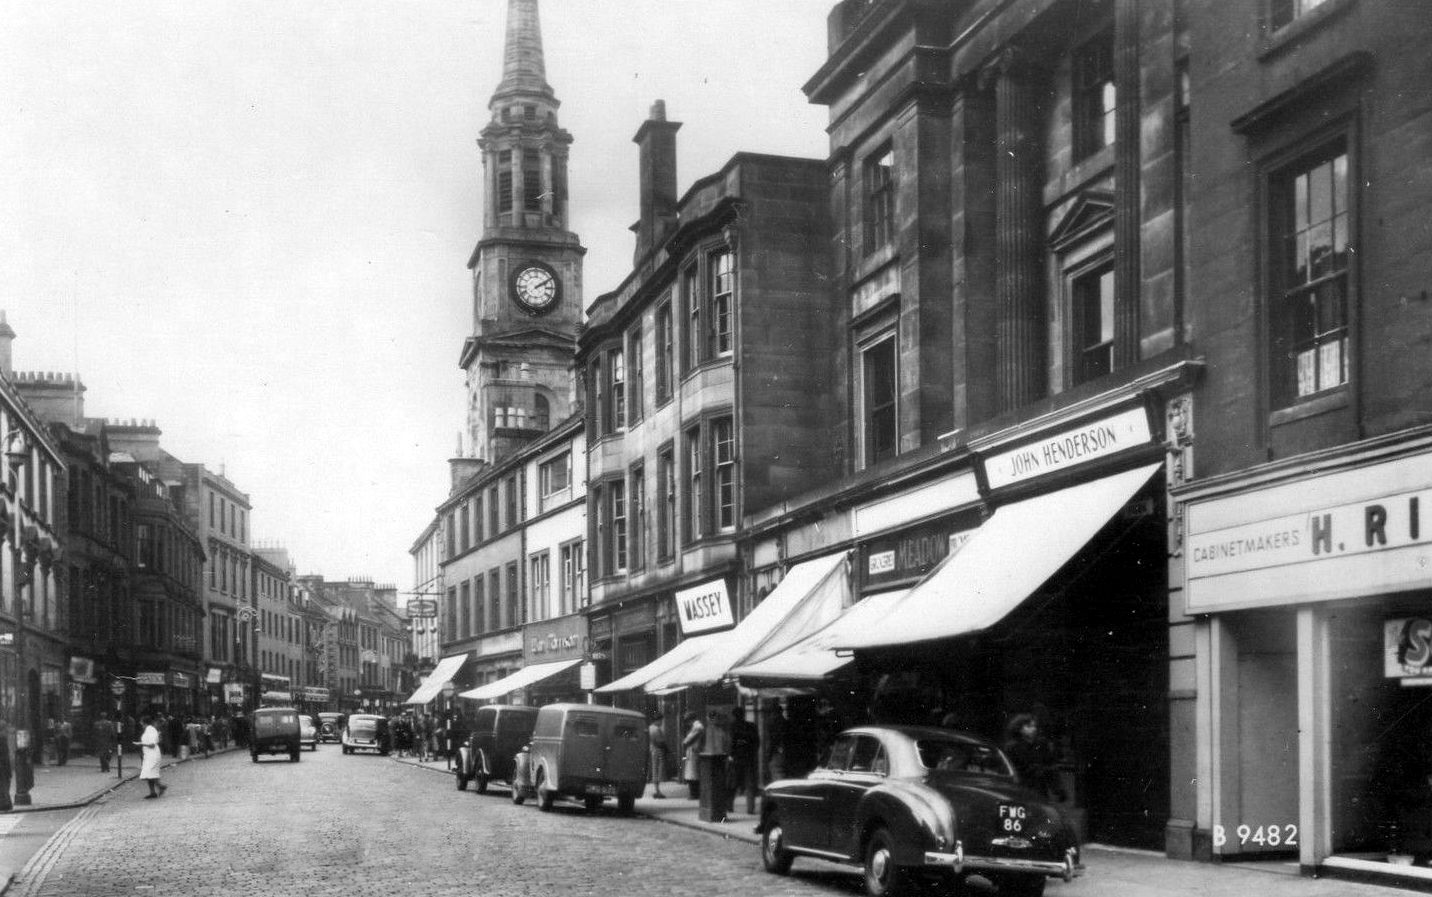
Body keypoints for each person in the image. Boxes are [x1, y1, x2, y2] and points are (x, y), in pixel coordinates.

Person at [1002, 713, 1064, 802]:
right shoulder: (1012, 747)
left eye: (1034, 726)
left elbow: (1050, 767)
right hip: (1021, 787)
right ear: (1019, 729)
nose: (1033, 729)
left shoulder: (1041, 744)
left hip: (1039, 788)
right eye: (1029, 726)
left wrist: (1058, 789)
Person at [728, 707, 759, 815]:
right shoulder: (752, 726)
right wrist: (753, 753)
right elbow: (757, 742)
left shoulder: (732, 726)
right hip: (749, 758)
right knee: (750, 784)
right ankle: (750, 808)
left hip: (736, 758)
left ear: (734, 716)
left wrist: (730, 755)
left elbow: (731, 742)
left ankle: (729, 806)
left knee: (733, 783)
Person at [136, 715, 167, 799]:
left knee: (149, 772)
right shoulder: (148, 730)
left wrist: (141, 744)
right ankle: (153, 792)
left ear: (144, 722)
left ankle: (160, 786)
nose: (140, 724)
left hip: (152, 754)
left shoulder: (151, 730)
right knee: (149, 773)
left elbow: (152, 744)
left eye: (141, 722)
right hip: (149, 754)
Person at [681, 711, 705, 800]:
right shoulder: (697, 726)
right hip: (694, 751)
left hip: (694, 751)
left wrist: (684, 742)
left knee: (693, 774)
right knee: (693, 773)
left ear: (691, 719)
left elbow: (687, 740)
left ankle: (694, 794)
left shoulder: (697, 727)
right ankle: (694, 793)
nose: (687, 723)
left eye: (687, 721)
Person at [646, 713, 667, 799]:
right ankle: (657, 791)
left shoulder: (650, 728)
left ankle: (657, 790)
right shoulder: (656, 729)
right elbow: (660, 742)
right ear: (657, 720)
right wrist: (666, 749)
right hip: (658, 750)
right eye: (661, 720)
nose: (661, 722)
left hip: (652, 750)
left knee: (654, 769)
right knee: (658, 770)